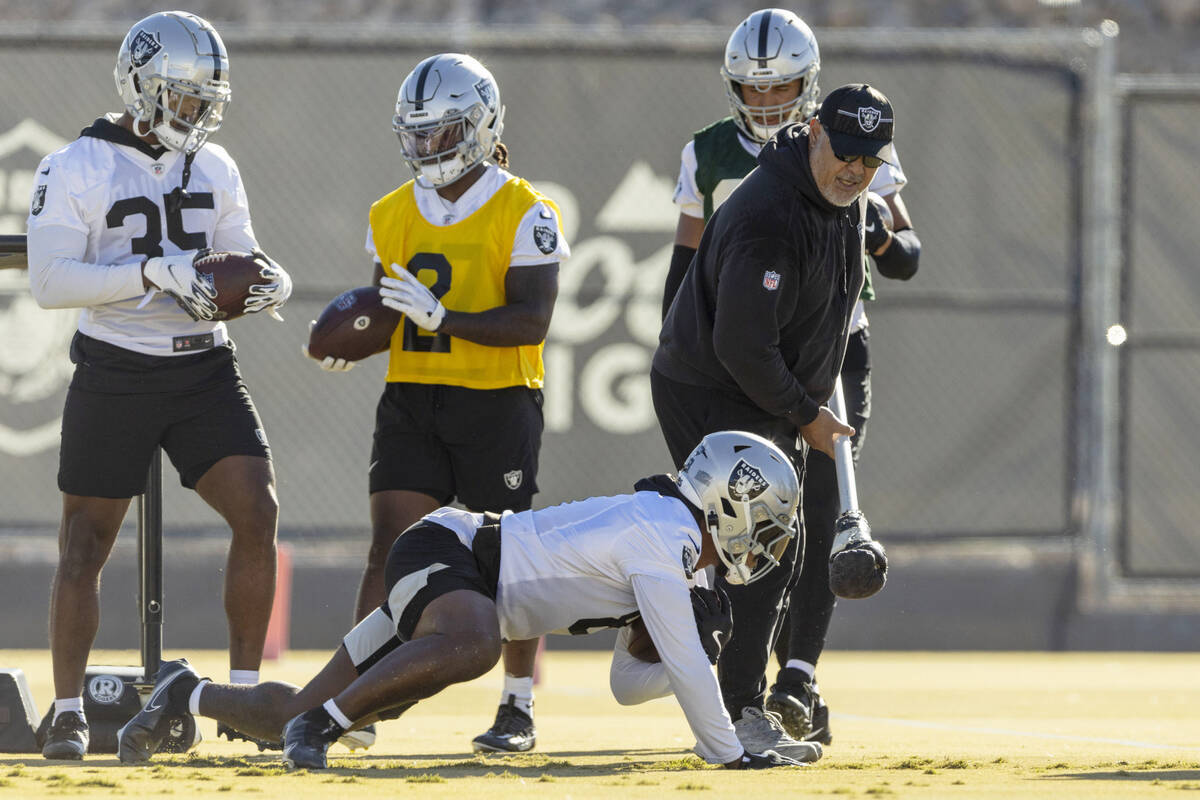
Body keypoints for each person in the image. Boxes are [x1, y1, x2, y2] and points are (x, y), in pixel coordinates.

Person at [117, 431, 818, 771]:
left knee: (294, 712)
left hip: (464, 591)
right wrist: (729, 753)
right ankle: (325, 726)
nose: (766, 537)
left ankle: (188, 693)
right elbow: (698, 692)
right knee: (475, 644)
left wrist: (689, 649)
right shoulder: (661, 533)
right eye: (767, 518)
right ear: (731, 499)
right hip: (449, 555)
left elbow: (629, 685)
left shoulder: (677, 558)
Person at [26, 11, 293, 760]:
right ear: (140, 86)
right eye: (182, 97)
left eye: (206, 98)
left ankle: (243, 700)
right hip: (117, 366)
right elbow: (49, 282)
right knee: (84, 542)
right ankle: (71, 709)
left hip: (204, 365)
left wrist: (265, 280)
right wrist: (150, 272)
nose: (197, 113)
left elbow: (241, 255)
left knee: (257, 510)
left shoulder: (215, 164)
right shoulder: (75, 164)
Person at [663, 8, 921, 747]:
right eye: (754, 87)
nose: (769, 101)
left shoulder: (858, 146)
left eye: (784, 87)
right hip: (743, 352)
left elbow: (907, 254)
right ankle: (718, 670)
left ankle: (797, 677)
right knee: (758, 522)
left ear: (809, 89)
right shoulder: (715, 157)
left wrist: (878, 229)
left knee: (821, 510)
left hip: (832, 344)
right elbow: (688, 273)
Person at [301, 52, 568, 754]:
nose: (427, 148)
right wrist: (348, 343)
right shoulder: (390, 213)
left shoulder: (526, 210)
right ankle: (351, 702)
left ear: (480, 127)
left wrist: (443, 318)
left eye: (442, 133)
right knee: (388, 549)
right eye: (416, 135)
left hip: (496, 400)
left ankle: (516, 705)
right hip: (413, 397)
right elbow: (384, 313)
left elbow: (531, 321)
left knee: (509, 558)